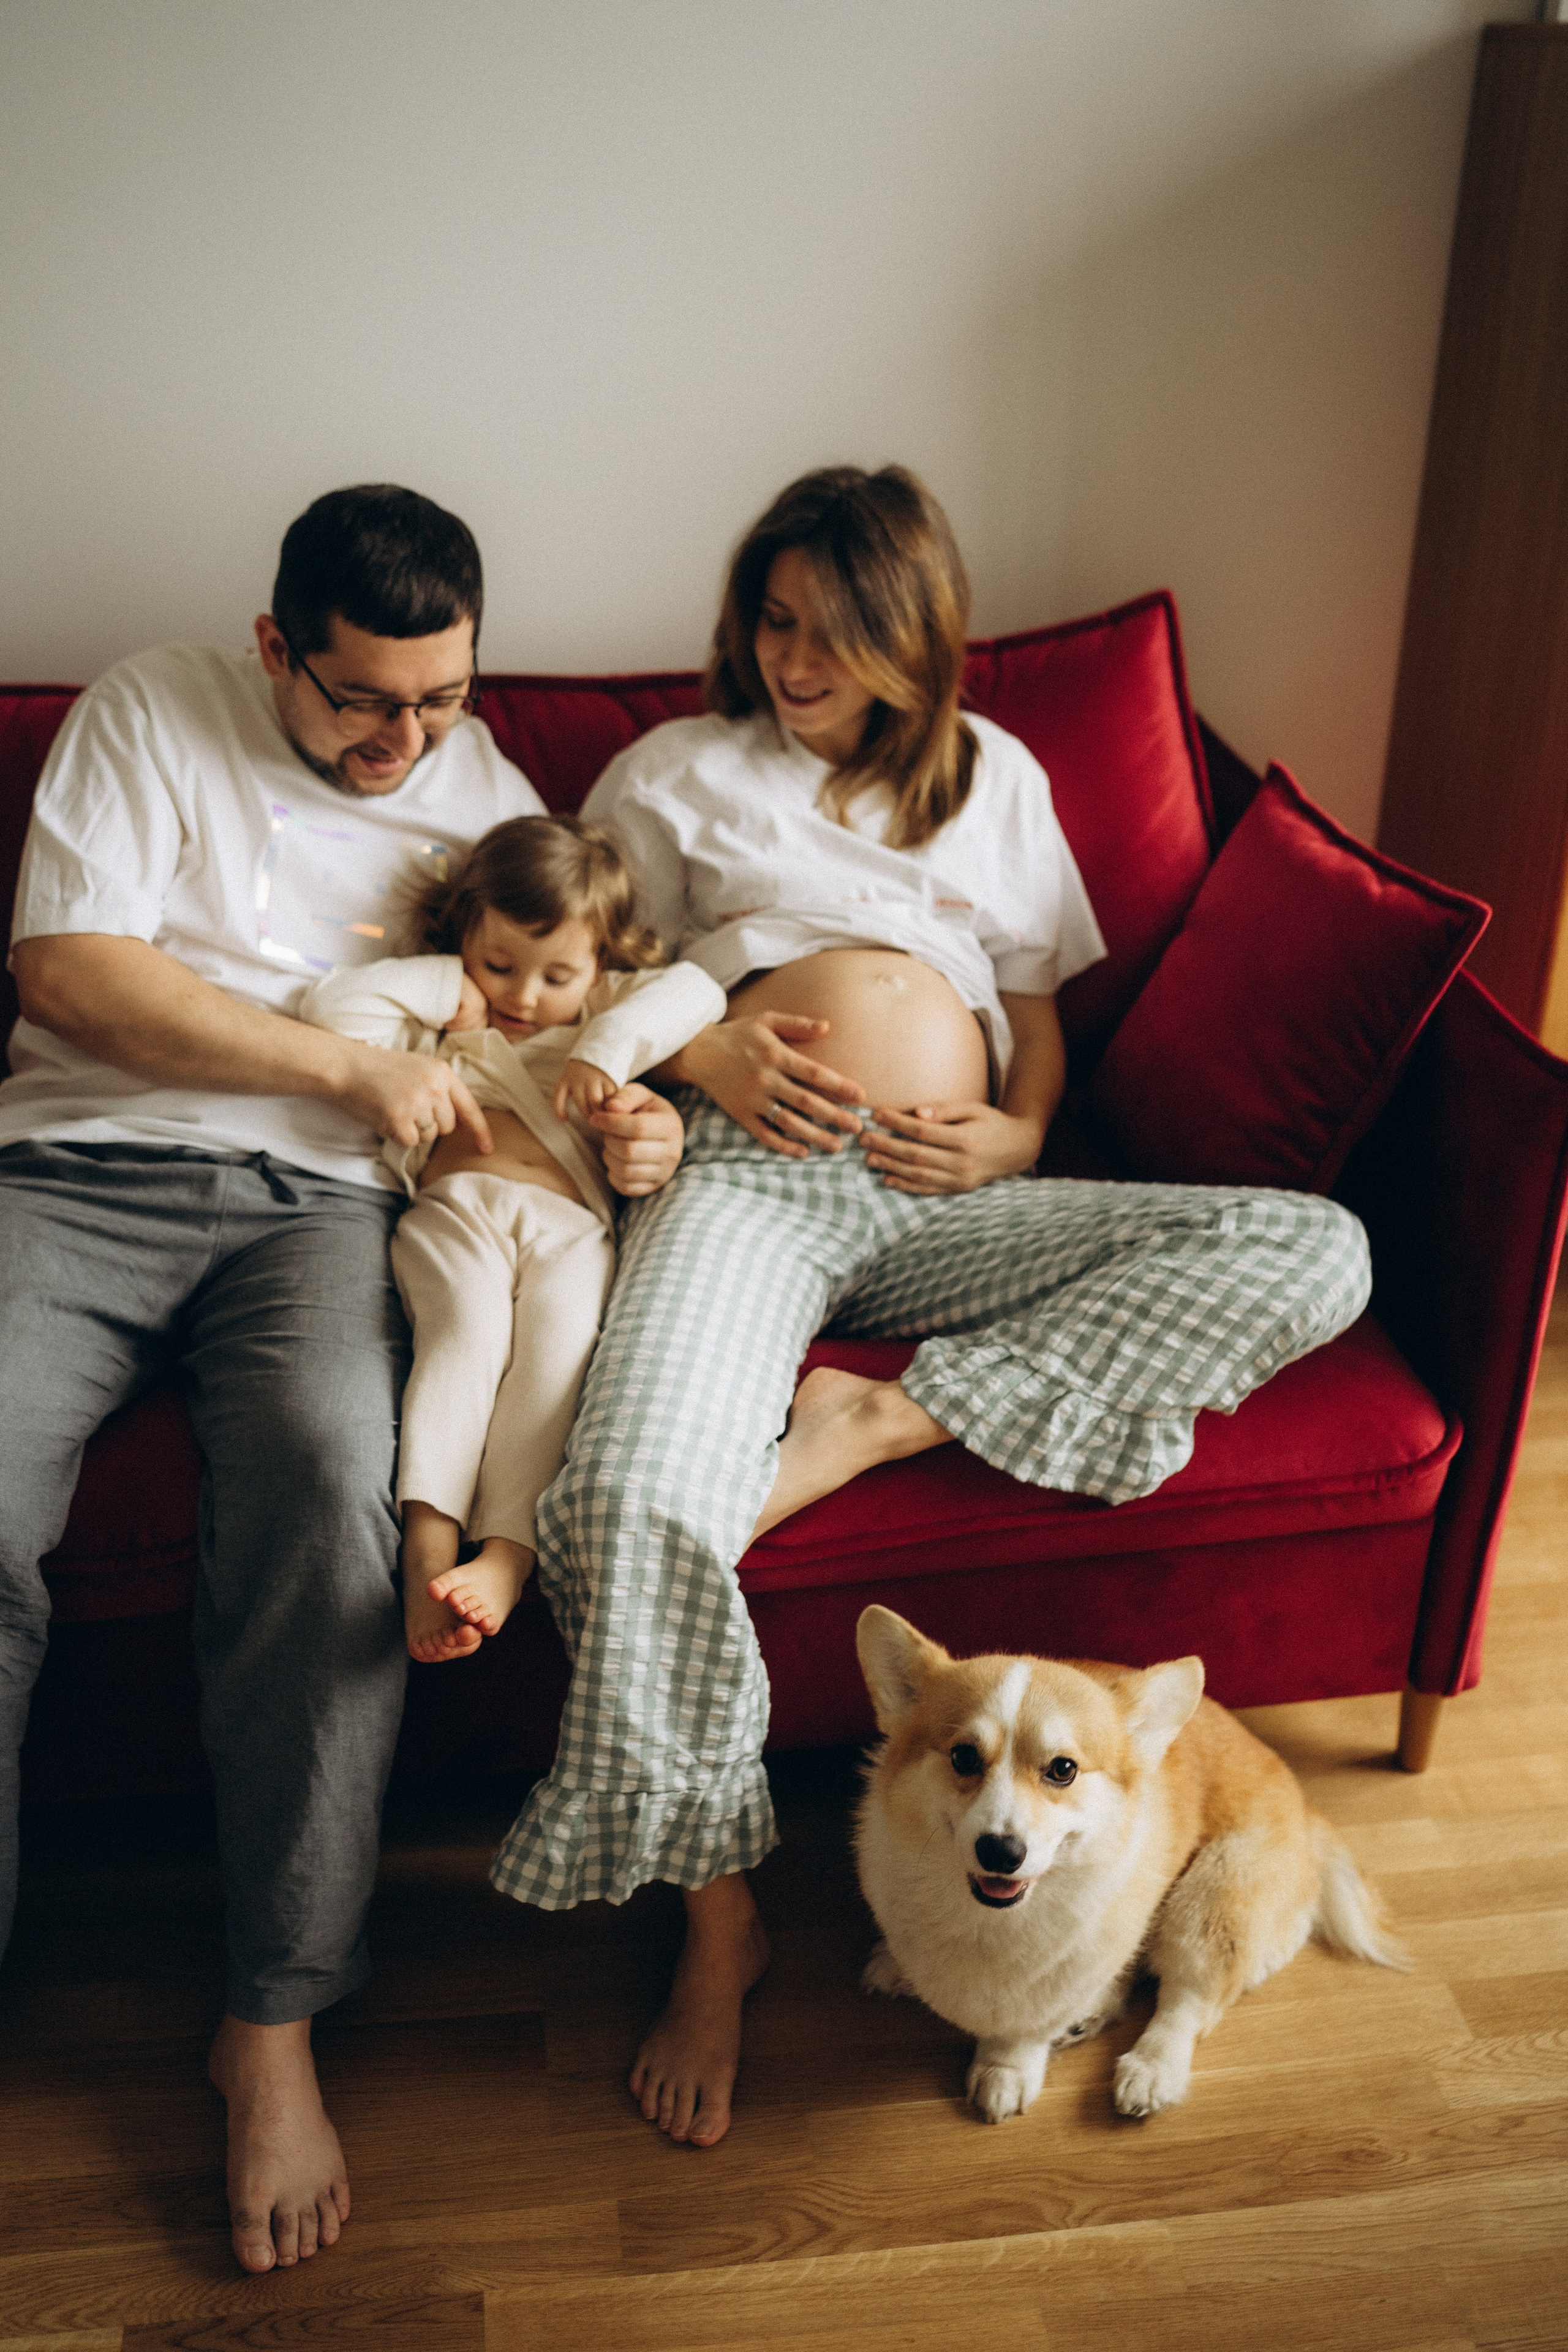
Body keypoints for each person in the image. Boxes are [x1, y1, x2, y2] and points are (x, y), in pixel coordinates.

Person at [489, 464, 1373, 2151]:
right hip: (745, 1180)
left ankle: (888, 1413)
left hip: (957, 1202)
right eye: (775, 615)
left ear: (919, 632)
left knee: (1317, 1248)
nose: (797, 654)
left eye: (836, 626)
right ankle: (717, 1921)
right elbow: (576, 994)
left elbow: (1033, 1007)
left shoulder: (998, 780)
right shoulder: (675, 772)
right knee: (621, 1496)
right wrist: (710, 1046)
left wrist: (1024, 1128)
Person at [0, 486, 684, 2275]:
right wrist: (336, 1061)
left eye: (442, 700)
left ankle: (274, 2023)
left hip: (321, 1220)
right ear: (273, 648)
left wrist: (649, 1103)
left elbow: (585, 1003)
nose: (406, 744)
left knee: (326, 1500)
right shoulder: (150, 708)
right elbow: (69, 972)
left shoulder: (482, 795)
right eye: (363, 701)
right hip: (73, 1170)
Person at [299, 813, 725, 1662]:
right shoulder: (441, 1025)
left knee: (558, 1358)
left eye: (557, 974)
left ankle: (505, 1558)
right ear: (465, 940)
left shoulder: (602, 1015)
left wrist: (604, 1046)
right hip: (457, 1210)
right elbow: (329, 1008)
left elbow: (701, 992)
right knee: (466, 1336)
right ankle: (427, 1542)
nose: (524, 998)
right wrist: (447, 987)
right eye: (499, 965)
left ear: (599, 965)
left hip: (571, 1229)